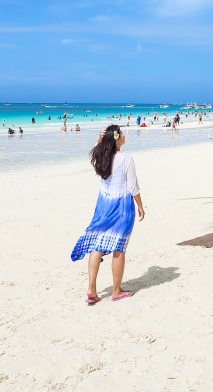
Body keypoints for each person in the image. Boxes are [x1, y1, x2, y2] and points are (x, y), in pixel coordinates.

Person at [71, 125, 144, 304]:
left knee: (98, 245)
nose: (124, 136)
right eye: (121, 133)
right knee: (119, 247)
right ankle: (116, 291)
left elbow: (97, 149)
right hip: (121, 206)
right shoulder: (126, 159)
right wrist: (140, 205)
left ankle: (91, 289)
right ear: (117, 138)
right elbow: (132, 187)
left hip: (103, 205)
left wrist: (99, 139)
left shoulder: (100, 156)